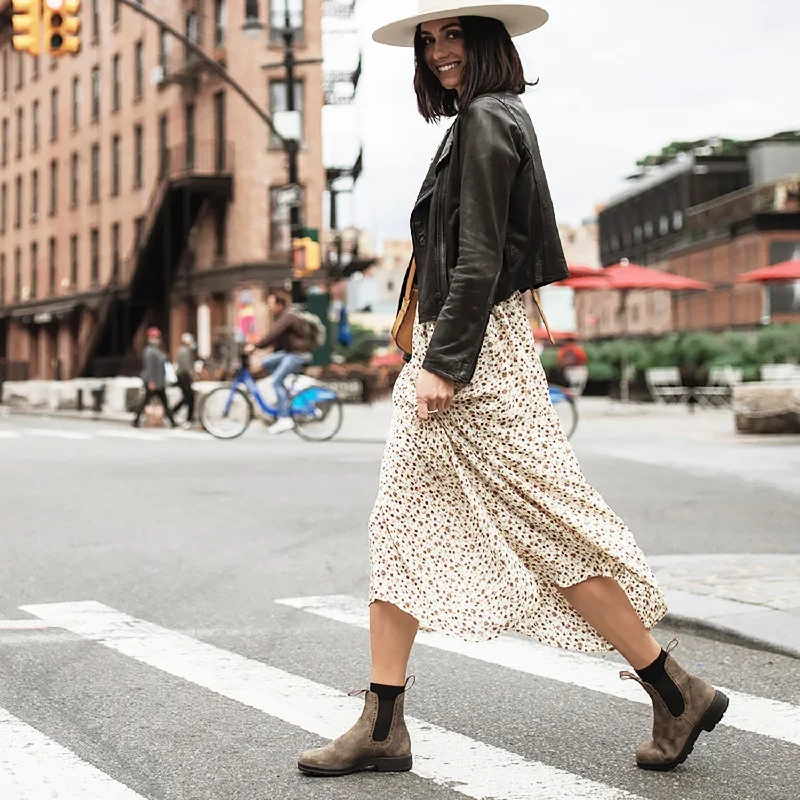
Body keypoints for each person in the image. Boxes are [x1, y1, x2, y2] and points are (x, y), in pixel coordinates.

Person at [297, 2, 728, 779]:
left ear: (487, 39)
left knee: (547, 526)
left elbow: (481, 257)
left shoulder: (490, 121)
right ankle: (383, 721)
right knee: (401, 525)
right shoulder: (480, 123)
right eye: (428, 41)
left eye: (452, 34)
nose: (437, 52)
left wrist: (444, 364)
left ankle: (674, 687)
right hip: (458, 349)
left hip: (469, 359)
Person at [245, 290, 314, 436]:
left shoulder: (288, 315)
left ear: (279, 304)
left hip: (298, 354)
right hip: (290, 352)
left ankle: (284, 418)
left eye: (271, 303)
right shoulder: (283, 315)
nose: (269, 307)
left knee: (276, 381)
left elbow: (273, 334)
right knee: (266, 362)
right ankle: (286, 392)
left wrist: (255, 346)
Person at [132, 327, 176, 428]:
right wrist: (152, 382)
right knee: (145, 402)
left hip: (159, 382)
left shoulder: (157, 350)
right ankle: (136, 420)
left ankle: (172, 421)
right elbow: (150, 367)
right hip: (153, 382)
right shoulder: (149, 351)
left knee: (163, 403)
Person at [171, 333, 197, 430]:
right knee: (189, 397)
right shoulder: (185, 351)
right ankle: (188, 419)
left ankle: (173, 412)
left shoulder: (183, 350)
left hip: (182, 377)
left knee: (187, 397)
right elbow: (186, 367)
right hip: (184, 377)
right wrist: (192, 376)